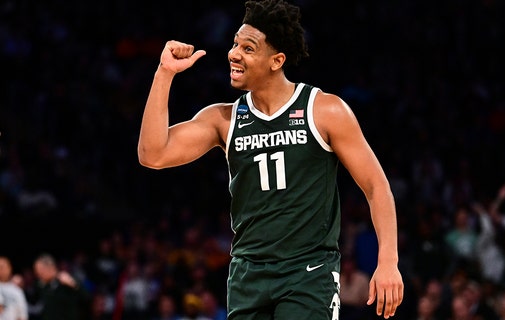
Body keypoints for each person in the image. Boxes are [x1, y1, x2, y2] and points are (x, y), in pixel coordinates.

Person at [136, 0, 404, 319]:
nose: (234, 54)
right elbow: (152, 155)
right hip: (247, 274)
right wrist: (164, 73)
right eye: (235, 43)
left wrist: (387, 260)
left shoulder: (325, 110)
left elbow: (376, 186)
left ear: (276, 60)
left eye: (248, 48)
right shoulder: (224, 119)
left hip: (308, 272)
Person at [31, 253, 90, 320]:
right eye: (37, 271)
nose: (38, 274)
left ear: (51, 267)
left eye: (40, 271)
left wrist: (74, 284)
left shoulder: (66, 280)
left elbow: (87, 297)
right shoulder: (40, 285)